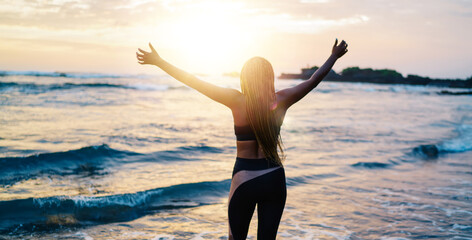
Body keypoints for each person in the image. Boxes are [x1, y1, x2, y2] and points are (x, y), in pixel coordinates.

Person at [136, 39, 348, 239]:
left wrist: (160, 62)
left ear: (245, 78)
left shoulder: (235, 100)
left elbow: (194, 82)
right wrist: (334, 57)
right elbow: (313, 80)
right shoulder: (283, 99)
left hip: (244, 178)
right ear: (269, 76)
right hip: (274, 177)